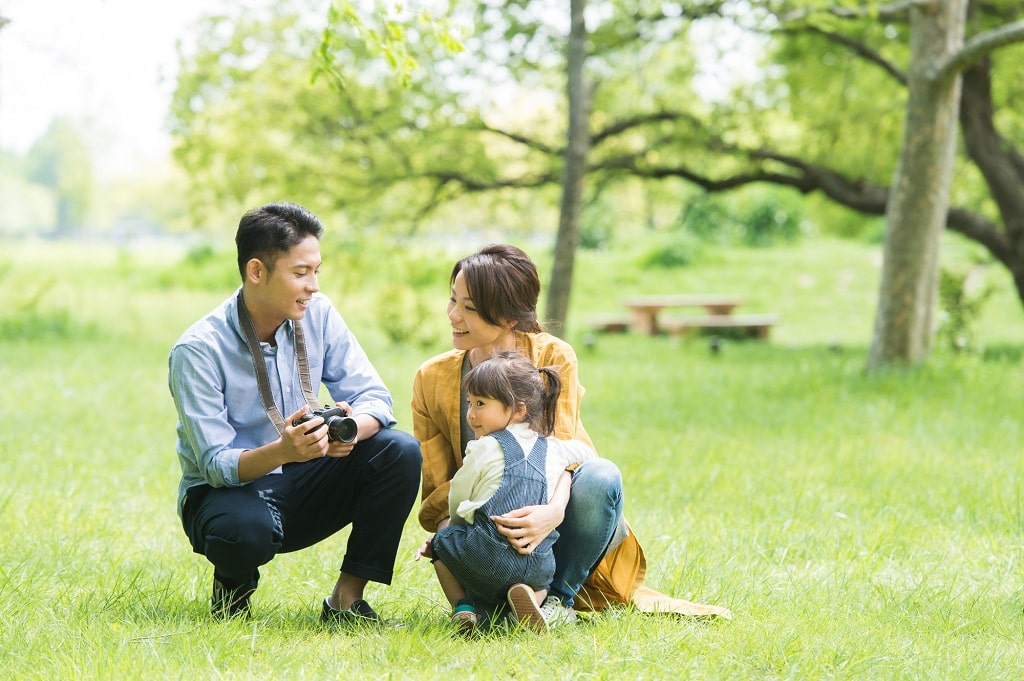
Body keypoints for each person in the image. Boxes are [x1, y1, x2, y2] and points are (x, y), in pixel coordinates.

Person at [412, 244, 731, 628]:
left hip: (558, 524)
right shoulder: (431, 378)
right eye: (452, 300)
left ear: (510, 315)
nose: (453, 315)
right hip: (485, 531)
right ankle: (485, 600)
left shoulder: (554, 357)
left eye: (469, 307)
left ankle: (557, 602)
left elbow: (566, 455)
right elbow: (436, 495)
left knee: (603, 476)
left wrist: (551, 512)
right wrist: (477, 526)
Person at [168, 201, 422, 623]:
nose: (314, 286)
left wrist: (347, 432)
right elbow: (214, 465)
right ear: (256, 271)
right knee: (242, 531)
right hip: (227, 494)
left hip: (303, 474)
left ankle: (346, 601)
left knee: (399, 452)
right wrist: (284, 451)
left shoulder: (318, 314)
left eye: (317, 271)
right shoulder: (198, 350)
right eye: (301, 273)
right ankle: (233, 592)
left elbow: (375, 396)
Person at [416, 350, 598, 634]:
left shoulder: (483, 448)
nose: (471, 414)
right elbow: (588, 455)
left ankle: (463, 608)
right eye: (469, 403)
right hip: (537, 562)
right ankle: (531, 603)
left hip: (486, 554)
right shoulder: (555, 448)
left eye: (481, 404)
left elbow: (458, 496)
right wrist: (563, 473)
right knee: (537, 581)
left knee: (440, 543)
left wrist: (454, 527)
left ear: (518, 410)